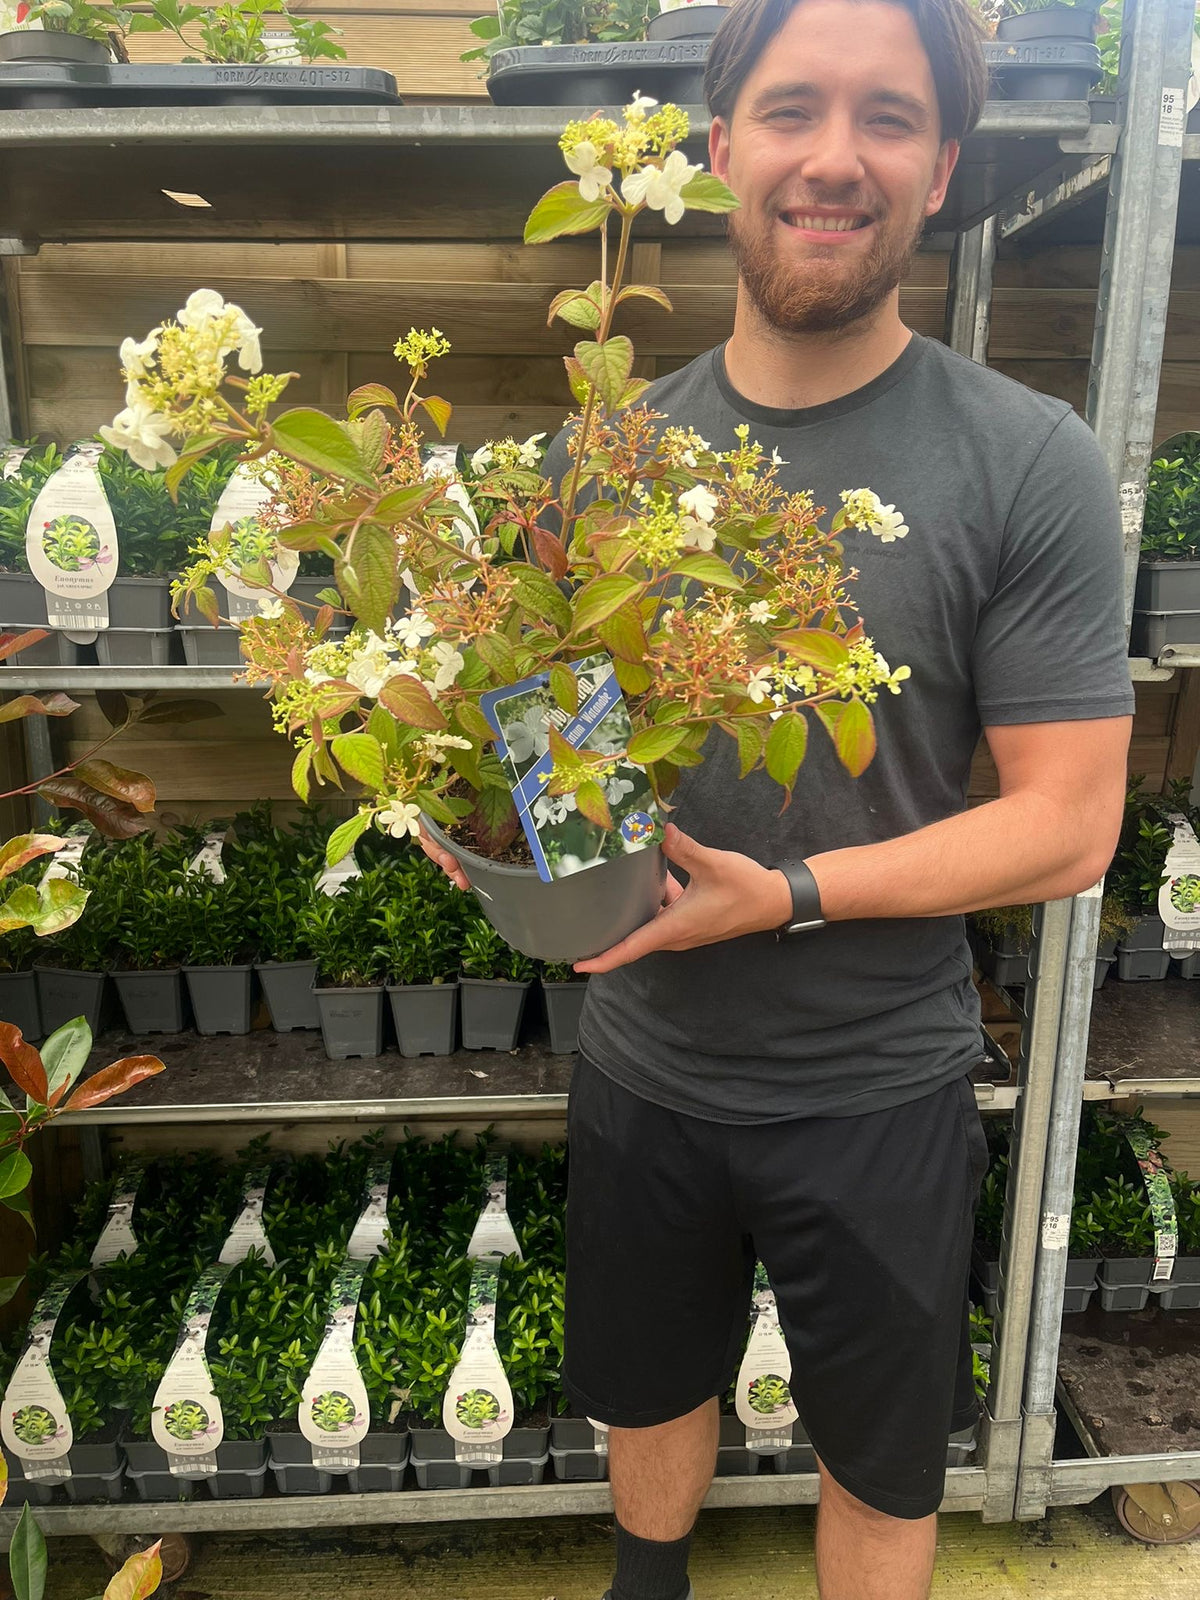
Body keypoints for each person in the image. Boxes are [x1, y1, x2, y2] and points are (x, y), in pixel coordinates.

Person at [421, 0, 1134, 1594]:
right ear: (721, 146)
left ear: (943, 166)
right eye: (795, 109)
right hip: (646, 1059)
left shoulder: (1029, 463)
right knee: (647, 1381)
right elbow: (553, 740)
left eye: (888, 118)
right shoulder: (600, 457)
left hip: (878, 1077)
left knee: (880, 1455)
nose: (836, 156)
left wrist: (793, 894)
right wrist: (475, 812)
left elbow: (1072, 820)